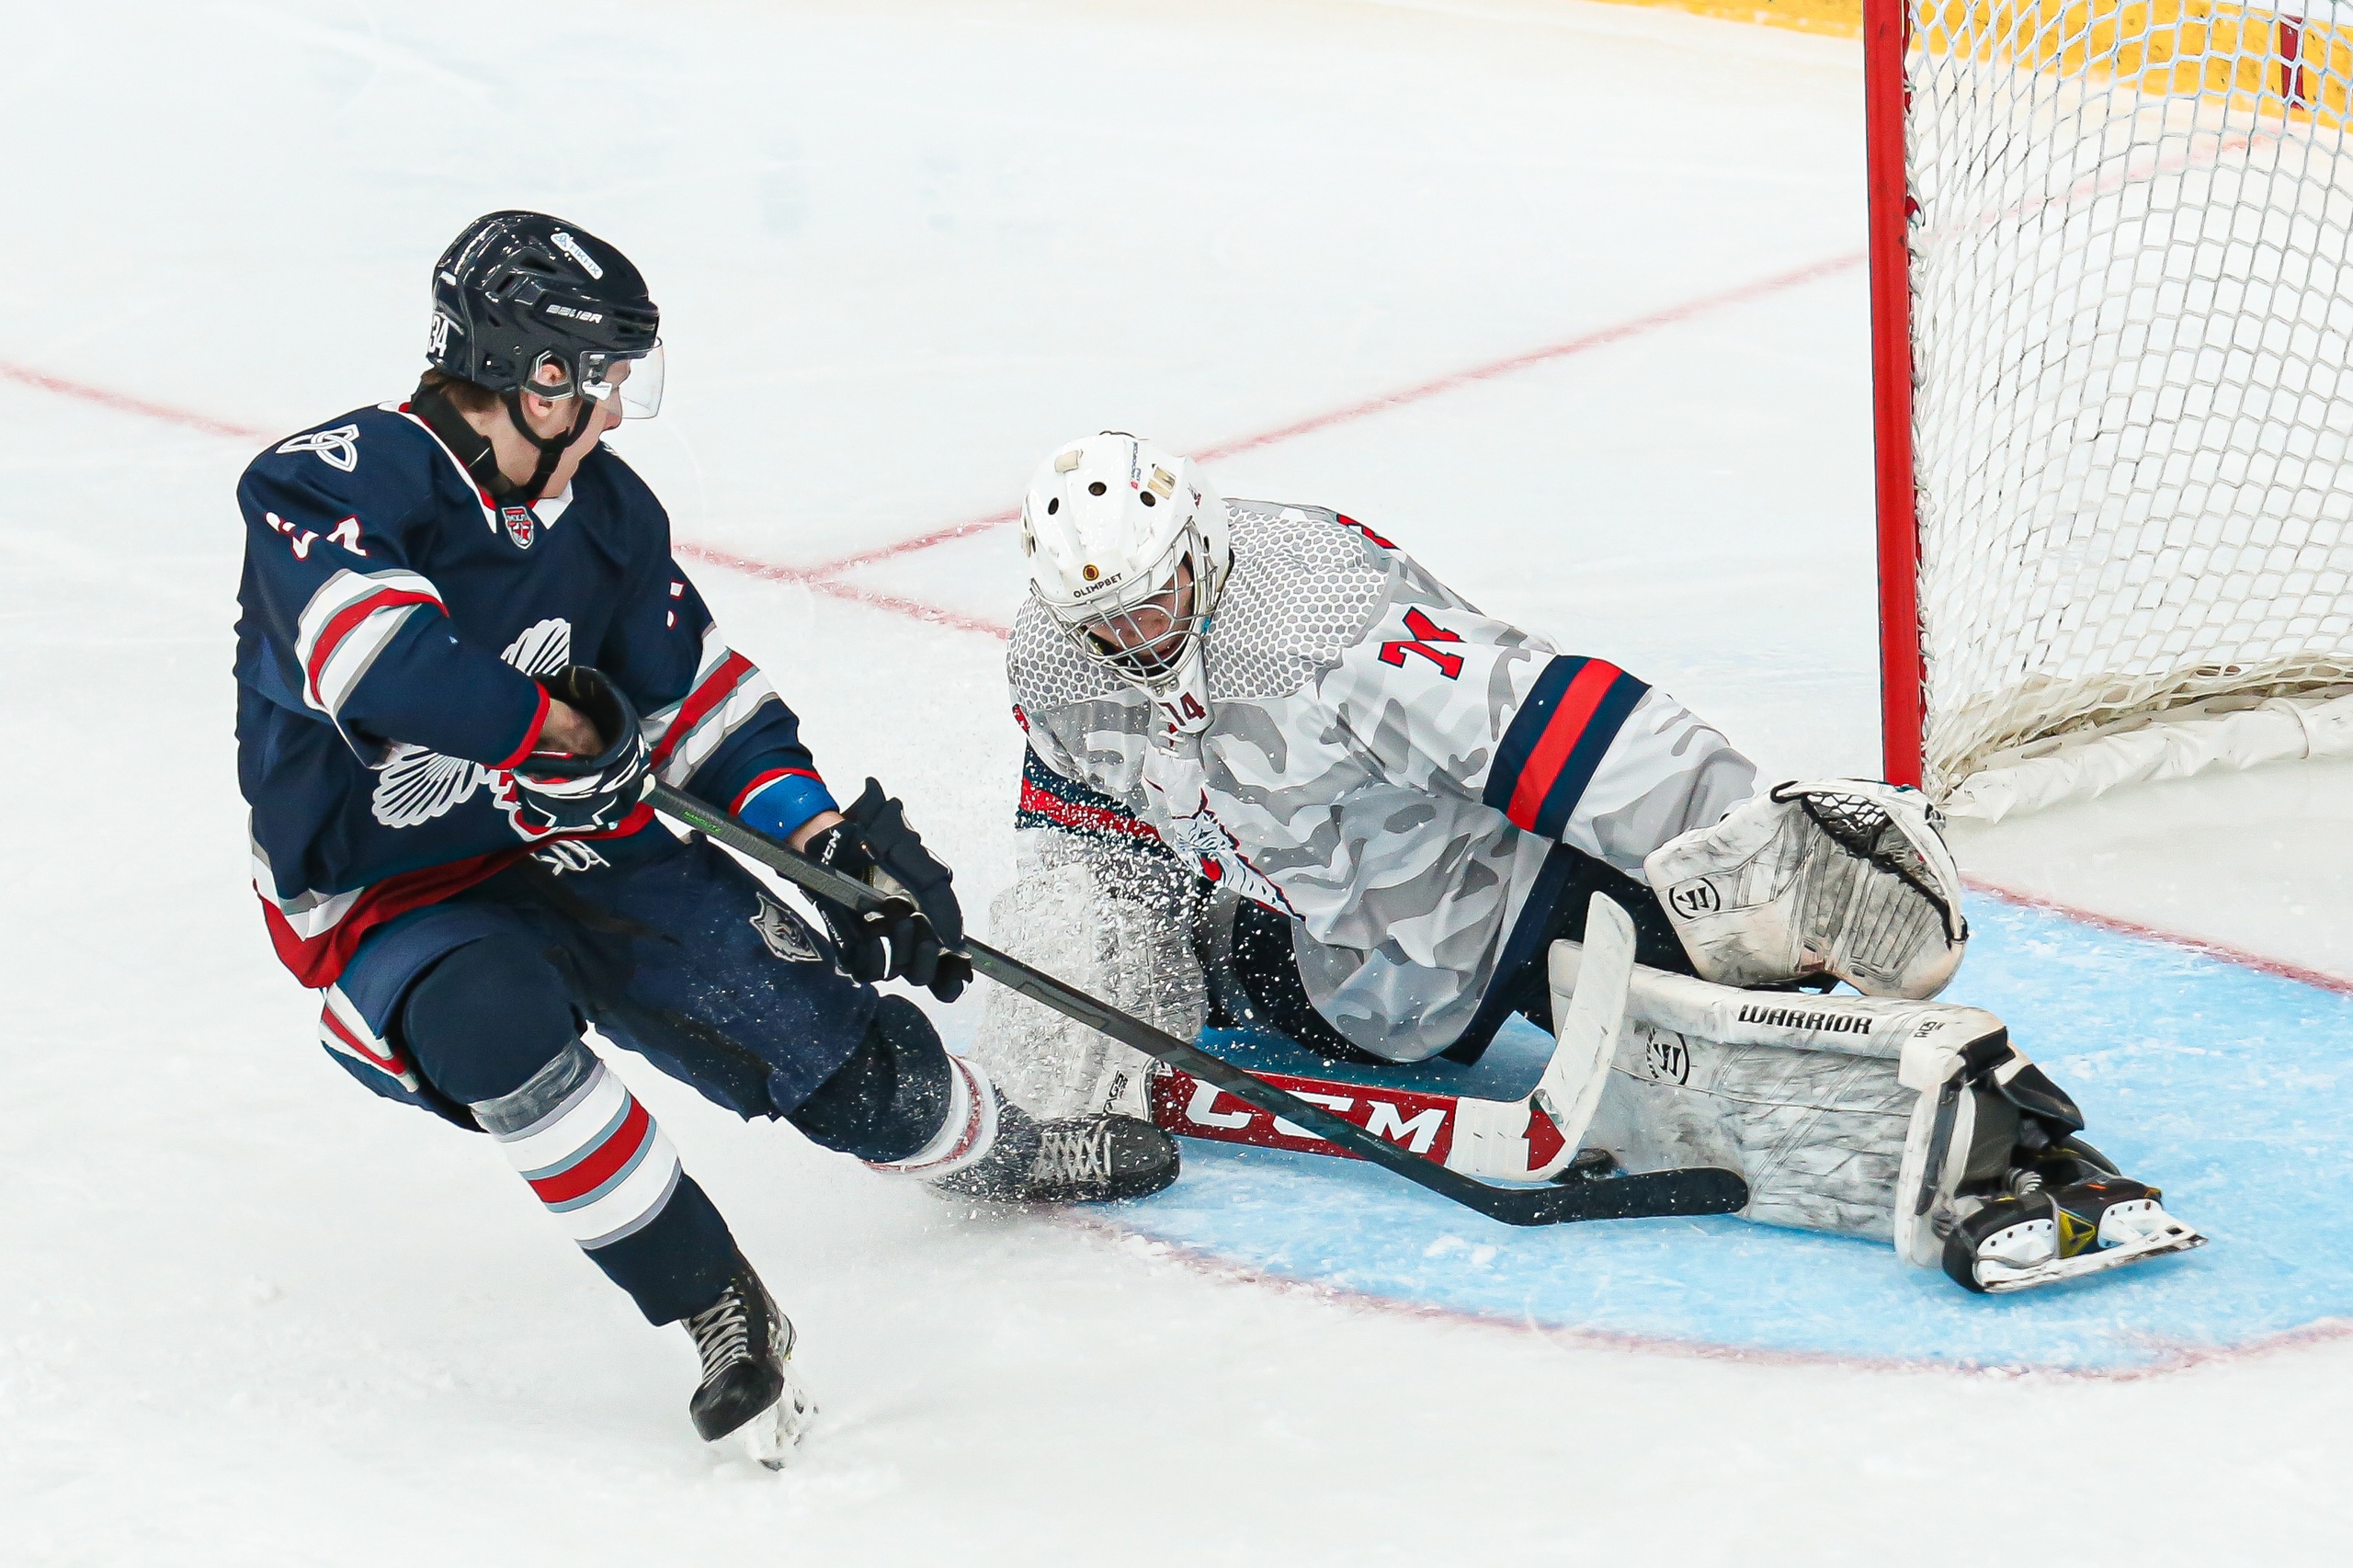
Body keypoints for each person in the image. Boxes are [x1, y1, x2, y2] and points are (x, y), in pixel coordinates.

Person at [233, 216, 1177, 1464]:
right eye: (603, 380)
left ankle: (1006, 1152)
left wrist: (825, 843)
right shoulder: (329, 483)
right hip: (394, 891)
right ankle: (716, 1303)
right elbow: (380, 662)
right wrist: (558, 727)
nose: (616, 414)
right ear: (536, 376)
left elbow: (698, 707)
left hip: (585, 848)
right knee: (491, 1024)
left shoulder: (606, 514)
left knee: (839, 1061)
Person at [973, 431, 2203, 1294]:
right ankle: (1213, 963)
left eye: (1154, 599)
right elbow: (1081, 825)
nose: (1138, 635)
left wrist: (1746, 843)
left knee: (1725, 1021)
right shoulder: (1057, 661)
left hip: (1518, 885)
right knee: (1229, 964)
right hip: (1357, 964)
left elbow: (1551, 725)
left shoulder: (1317, 615)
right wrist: (1075, 1019)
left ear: (1198, 541)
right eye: (1107, 621)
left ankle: (2011, 1147)